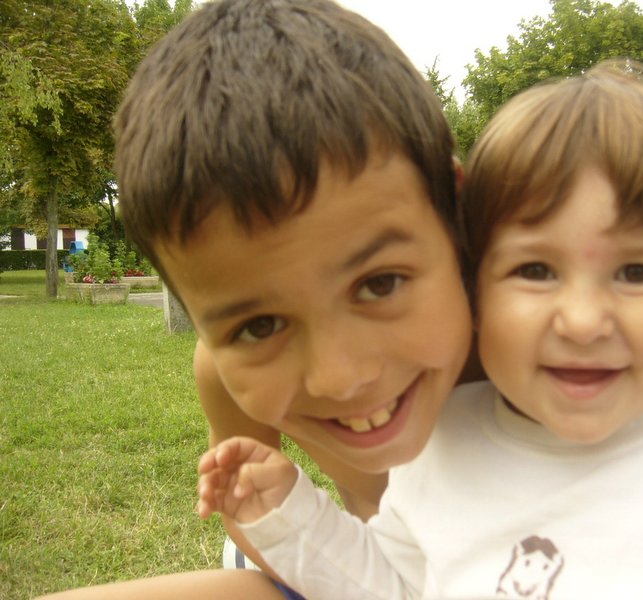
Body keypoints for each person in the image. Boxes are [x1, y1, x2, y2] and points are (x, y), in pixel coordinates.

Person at [196, 61, 643, 599]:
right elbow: (393, 587)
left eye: (637, 272)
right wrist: (289, 515)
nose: (583, 321)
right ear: (474, 290)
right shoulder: (444, 448)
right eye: (535, 270)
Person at [36, 0, 474, 598]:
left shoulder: (539, 341)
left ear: (455, 214)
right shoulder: (219, 371)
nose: (340, 376)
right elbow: (246, 506)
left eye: (380, 283)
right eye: (259, 326)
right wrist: (296, 542)